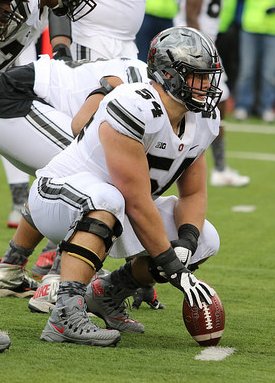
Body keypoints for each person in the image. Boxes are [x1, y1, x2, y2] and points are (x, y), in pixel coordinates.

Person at [25, 26, 221, 346]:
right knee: (108, 197)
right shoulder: (134, 104)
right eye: (194, 76)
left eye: (207, 76)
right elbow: (135, 199)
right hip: (58, 197)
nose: (205, 86)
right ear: (169, 75)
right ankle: (64, 315)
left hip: (116, 209)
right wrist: (174, 268)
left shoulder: (202, 119)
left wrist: (186, 241)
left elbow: (194, 192)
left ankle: (107, 293)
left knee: (205, 239)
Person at [0, 55, 148, 296]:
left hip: (21, 96)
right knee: (91, 170)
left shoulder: (145, 81)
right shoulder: (136, 85)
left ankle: (11, 267)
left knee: (68, 176)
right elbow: (80, 125)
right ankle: (58, 279)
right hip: (16, 98)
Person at [0, 0, 97, 228]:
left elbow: (57, 12)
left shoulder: (39, 8)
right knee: (78, 161)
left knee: (69, 165)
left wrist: (60, 48)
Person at [174, 0, 250, 187]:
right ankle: (211, 168)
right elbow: (191, 13)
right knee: (206, 105)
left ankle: (219, 168)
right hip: (194, 46)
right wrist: (200, 53)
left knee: (216, 106)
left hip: (202, 45)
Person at [233, 0, 275, 122]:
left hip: (272, 30)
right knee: (247, 71)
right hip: (250, 27)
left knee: (269, 73)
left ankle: (266, 107)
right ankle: (243, 106)